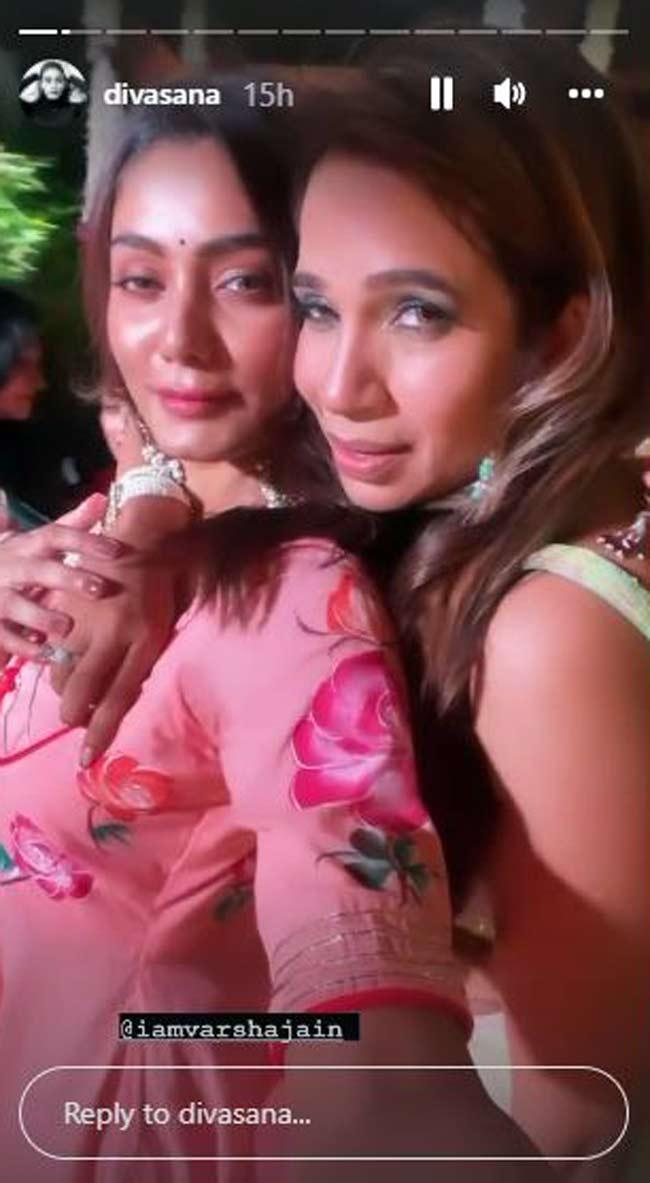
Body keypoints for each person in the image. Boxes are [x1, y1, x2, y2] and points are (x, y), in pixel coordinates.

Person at [12, 38, 649, 1178]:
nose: (178, 339)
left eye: (250, 282)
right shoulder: (173, 505)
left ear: (557, 333)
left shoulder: (327, 599)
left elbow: (521, 1102)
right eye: (140, 278)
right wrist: (141, 514)